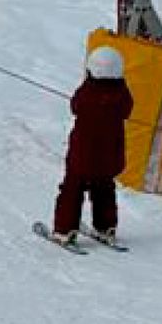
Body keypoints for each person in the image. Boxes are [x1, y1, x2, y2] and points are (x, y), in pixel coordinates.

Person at [53, 46, 132, 247]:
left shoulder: (88, 92)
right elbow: (127, 109)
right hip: (110, 157)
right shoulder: (122, 94)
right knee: (104, 189)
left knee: (72, 190)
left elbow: (75, 106)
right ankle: (106, 227)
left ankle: (65, 230)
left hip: (83, 156)